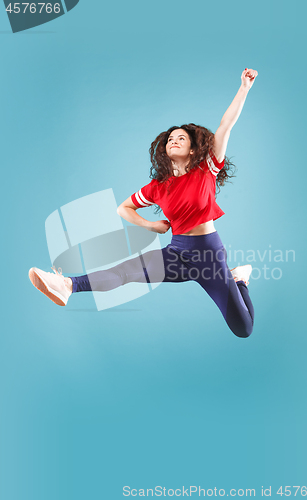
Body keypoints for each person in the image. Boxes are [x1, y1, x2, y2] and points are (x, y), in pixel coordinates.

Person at [29, 68, 258, 338]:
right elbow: (123, 208)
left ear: (193, 149)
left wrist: (244, 87)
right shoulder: (157, 187)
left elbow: (225, 125)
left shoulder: (206, 168)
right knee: (126, 272)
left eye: (181, 138)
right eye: (171, 139)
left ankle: (239, 279)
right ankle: (67, 284)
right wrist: (150, 225)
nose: (174, 140)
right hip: (177, 253)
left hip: (209, 255)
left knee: (243, 328)